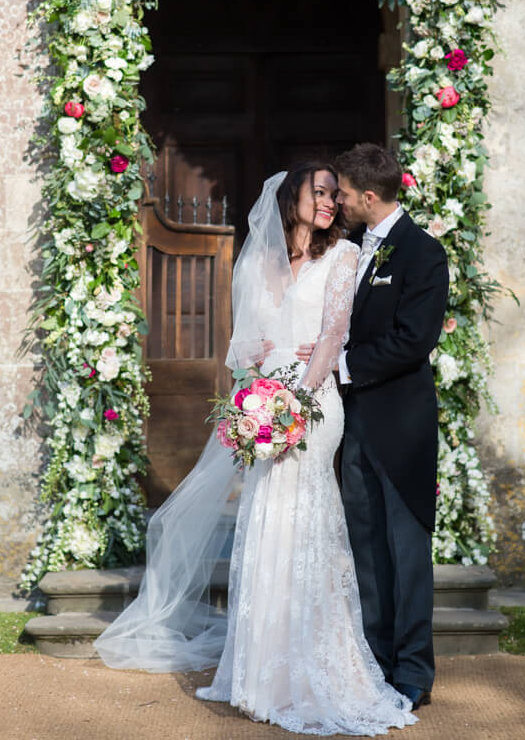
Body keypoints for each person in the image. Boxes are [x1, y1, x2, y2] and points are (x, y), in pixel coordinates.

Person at [95, 161, 416, 736]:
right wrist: (254, 374)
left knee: (305, 520)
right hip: (263, 402)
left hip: (314, 407)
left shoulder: (343, 258)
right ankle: (260, 675)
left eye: (332, 195)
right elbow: (240, 348)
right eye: (318, 192)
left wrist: (298, 400)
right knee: (265, 521)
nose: (329, 203)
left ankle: (316, 669)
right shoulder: (263, 263)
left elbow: (333, 335)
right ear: (291, 197)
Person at [333, 143, 449, 711]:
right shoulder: (352, 249)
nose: (340, 202)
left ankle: (412, 672)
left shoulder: (423, 253)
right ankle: (374, 664)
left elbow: (414, 340)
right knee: (366, 549)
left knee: (406, 553)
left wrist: (344, 368)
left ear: (369, 196)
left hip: (401, 427)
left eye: (346, 194)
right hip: (353, 428)